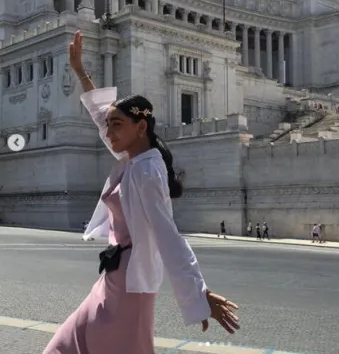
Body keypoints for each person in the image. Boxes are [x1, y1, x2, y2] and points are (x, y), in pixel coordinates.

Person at [43, 31, 240, 354]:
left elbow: (168, 237)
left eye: (117, 124)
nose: (108, 131)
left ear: (141, 127)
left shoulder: (147, 171)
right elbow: (100, 114)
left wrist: (199, 293)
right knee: (67, 345)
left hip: (131, 284)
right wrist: (80, 72)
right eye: (109, 125)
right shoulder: (132, 159)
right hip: (114, 277)